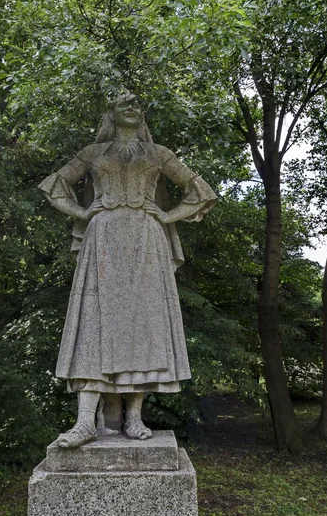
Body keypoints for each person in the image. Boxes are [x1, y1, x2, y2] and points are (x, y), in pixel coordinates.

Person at [38, 93, 218, 448]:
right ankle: (84, 422)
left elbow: (200, 191)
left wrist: (167, 216)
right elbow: (55, 186)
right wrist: (83, 212)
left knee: (142, 322)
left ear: (142, 114)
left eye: (136, 103)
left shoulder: (158, 153)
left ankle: (134, 418)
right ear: (112, 113)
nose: (131, 106)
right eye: (123, 103)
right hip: (102, 237)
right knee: (94, 322)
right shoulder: (93, 153)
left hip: (146, 239)